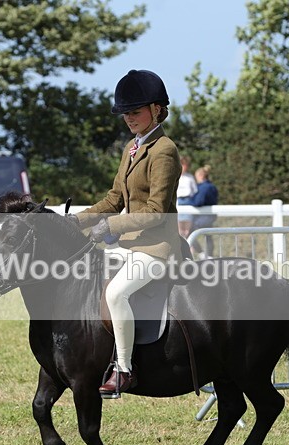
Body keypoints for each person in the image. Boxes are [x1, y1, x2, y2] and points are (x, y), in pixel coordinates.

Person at [73, 69, 183, 396]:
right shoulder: (132, 148)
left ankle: (124, 370)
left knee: (115, 294)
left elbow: (156, 210)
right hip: (129, 246)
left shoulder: (164, 150)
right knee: (85, 276)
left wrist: (111, 225)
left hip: (156, 248)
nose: (129, 119)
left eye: (135, 112)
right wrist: (76, 221)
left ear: (156, 110)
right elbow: (115, 198)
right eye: (126, 114)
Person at [182, 165, 219, 258]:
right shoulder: (211, 186)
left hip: (203, 217)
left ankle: (203, 254)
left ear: (201, 176)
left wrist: (186, 202)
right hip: (209, 216)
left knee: (190, 234)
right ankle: (209, 255)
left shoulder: (204, 187)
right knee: (208, 236)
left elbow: (198, 202)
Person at [176, 155, 197, 239]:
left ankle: (188, 248)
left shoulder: (190, 177)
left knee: (187, 231)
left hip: (188, 202)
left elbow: (194, 191)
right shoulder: (174, 177)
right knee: (180, 230)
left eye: (185, 165)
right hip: (178, 203)